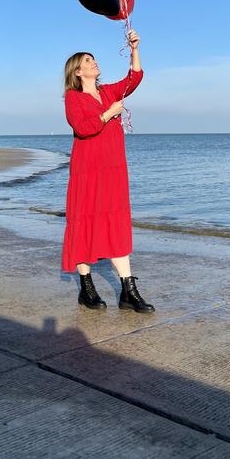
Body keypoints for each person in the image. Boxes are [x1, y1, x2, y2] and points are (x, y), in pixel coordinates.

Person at [61, 29, 155, 314]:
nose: (94, 63)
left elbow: (134, 78)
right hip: (88, 170)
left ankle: (128, 291)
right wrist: (108, 113)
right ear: (78, 71)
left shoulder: (108, 91)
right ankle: (86, 287)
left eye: (93, 60)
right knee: (85, 221)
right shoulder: (73, 98)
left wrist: (134, 48)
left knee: (115, 222)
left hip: (113, 170)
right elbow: (83, 128)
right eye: (88, 61)